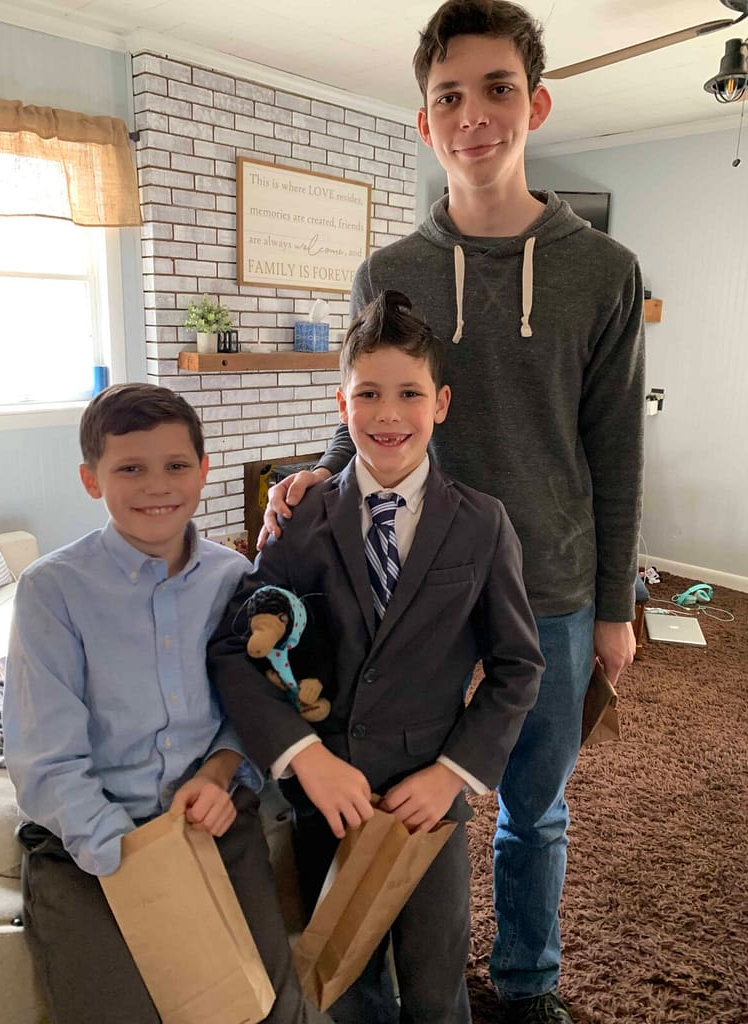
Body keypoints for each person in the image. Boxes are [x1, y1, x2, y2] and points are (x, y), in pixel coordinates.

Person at [260, 3, 646, 1021]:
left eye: (497, 89)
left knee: (533, 809)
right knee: (399, 796)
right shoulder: (388, 272)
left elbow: (615, 444)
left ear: (537, 104)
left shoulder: (604, 272)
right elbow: (369, 406)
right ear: (425, 123)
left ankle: (527, 983)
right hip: (399, 598)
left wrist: (616, 606)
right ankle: (386, 970)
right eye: (449, 97)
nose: (474, 115)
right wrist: (315, 475)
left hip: (552, 586)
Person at [208, 290, 545, 1024]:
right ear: (342, 402)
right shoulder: (301, 518)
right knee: (342, 975)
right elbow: (238, 648)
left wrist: (453, 773)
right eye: (368, 394)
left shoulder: (483, 524)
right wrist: (302, 755)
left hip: (428, 802)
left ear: (442, 402)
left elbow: (519, 666)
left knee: (434, 980)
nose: (388, 414)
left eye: (409, 394)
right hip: (323, 793)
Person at [2, 383, 329, 1024]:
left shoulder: (233, 578)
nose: (158, 486)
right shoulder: (52, 592)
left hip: (210, 821)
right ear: (91, 480)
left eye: (177, 466)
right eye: (130, 468)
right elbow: (46, 758)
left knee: (266, 1006)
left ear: (203, 471)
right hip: (90, 844)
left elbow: (252, 703)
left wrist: (219, 771)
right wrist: (134, 864)